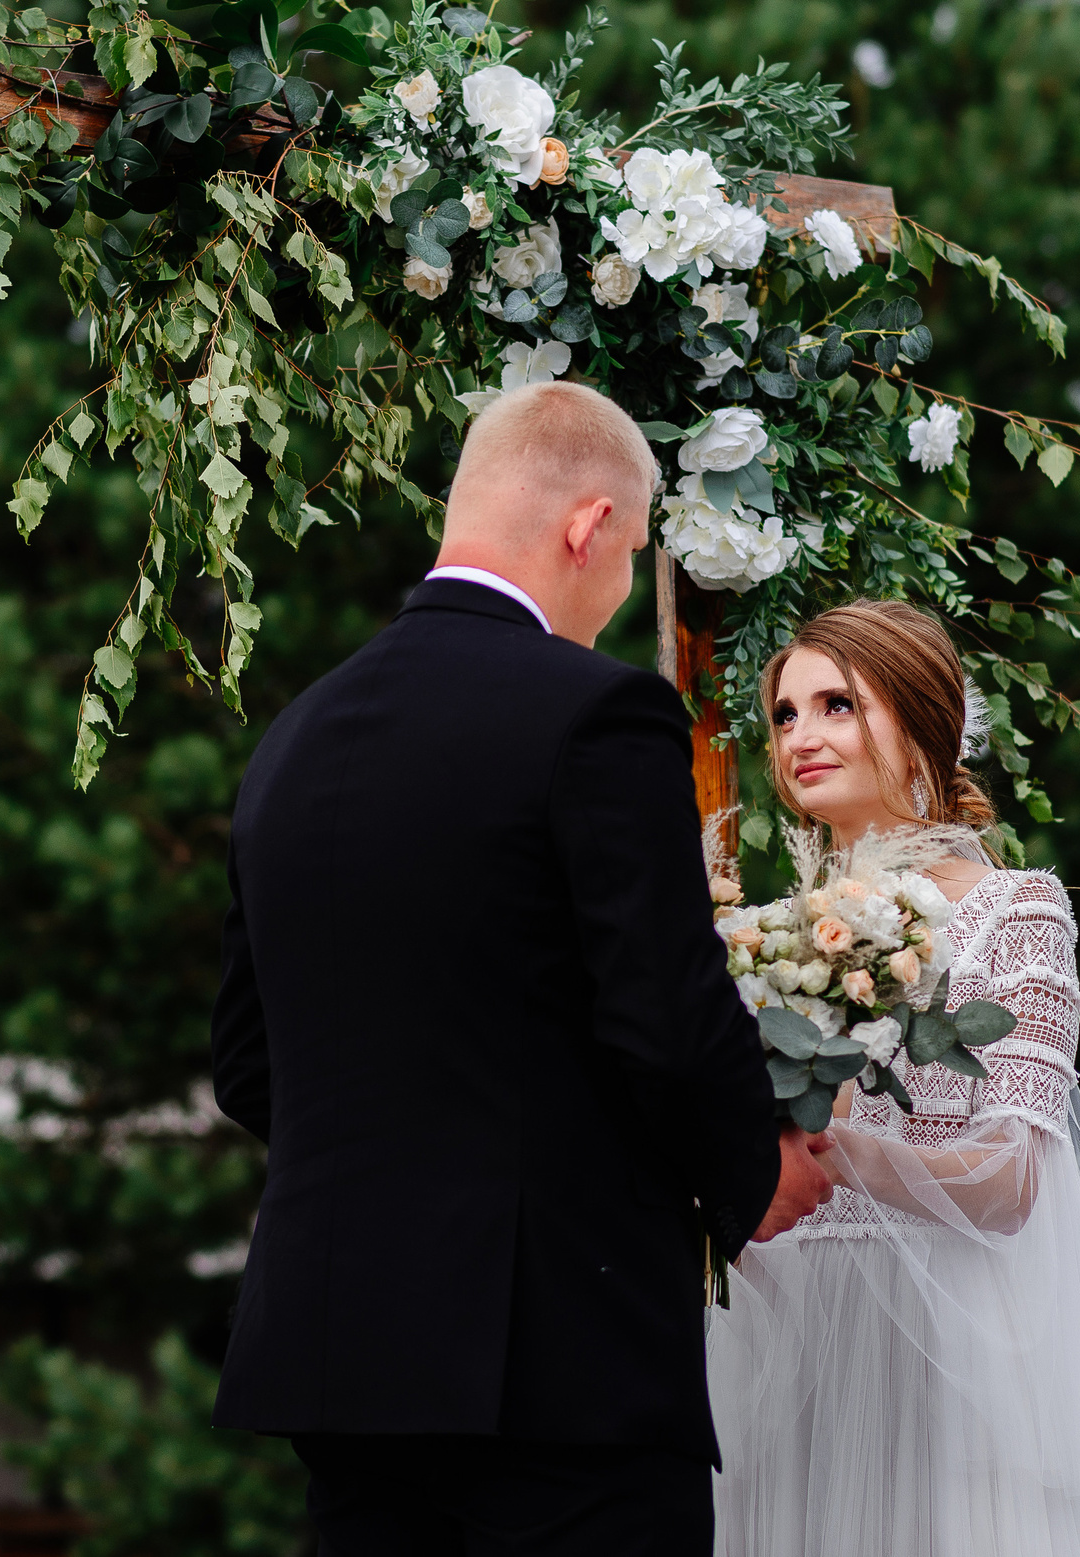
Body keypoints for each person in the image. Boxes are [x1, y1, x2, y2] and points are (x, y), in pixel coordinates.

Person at [210, 380, 834, 1556]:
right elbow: (661, 1010)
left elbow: (250, 1062)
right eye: (631, 550)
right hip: (557, 1355)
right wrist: (750, 1168)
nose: (614, 587)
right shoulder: (596, 712)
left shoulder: (290, 740)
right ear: (589, 526)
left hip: (341, 1356)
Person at [708, 599, 1080, 1557]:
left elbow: (1011, 1180)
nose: (801, 738)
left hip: (956, 1377)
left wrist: (841, 1148)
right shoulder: (758, 938)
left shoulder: (1014, 911)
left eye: (836, 706)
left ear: (918, 726)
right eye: (785, 715)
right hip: (790, 1375)